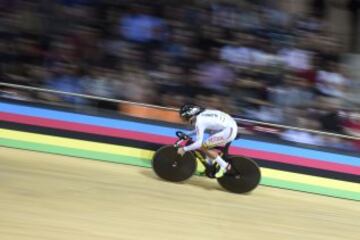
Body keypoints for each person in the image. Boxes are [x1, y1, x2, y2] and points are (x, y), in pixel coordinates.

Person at [177, 104, 238, 178]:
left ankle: (225, 166)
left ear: (189, 115)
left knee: (204, 147)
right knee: (207, 144)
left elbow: (198, 144)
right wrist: (188, 134)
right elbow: (198, 129)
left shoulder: (200, 121)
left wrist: (184, 149)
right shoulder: (202, 114)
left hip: (228, 130)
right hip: (229, 126)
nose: (184, 120)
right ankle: (209, 168)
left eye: (184, 118)